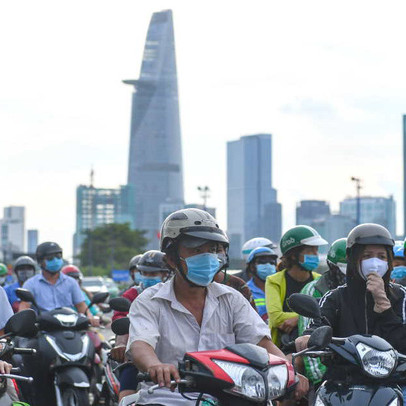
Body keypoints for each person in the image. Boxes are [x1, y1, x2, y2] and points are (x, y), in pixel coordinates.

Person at [126, 208, 308, 405]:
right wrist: (155, 366)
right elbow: (140, 344)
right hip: (168, 398)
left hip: (232, 396)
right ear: (171, 259)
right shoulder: (149, 301)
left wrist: (289, 371)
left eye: (213, 250)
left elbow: (262, 344)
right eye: (196, 250)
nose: (207, 257)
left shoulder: (232, 299)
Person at [295, 223, 406, 358]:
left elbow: (401, 342)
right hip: (345, 374)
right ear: (352, 258)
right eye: (367, 256)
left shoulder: (401, 296)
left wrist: (384, 306)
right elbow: (320, 324)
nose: (375, 263)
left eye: (381, 257)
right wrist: (309, 336)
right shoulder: (335, 297)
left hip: (393, 373)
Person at [111, 250, 170, 402]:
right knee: (127, 394)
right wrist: (121, 345)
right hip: (138, 357)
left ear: (166, 273)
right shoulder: (132, 294)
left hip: (173, 355)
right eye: (145, 273)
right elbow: (122, 319)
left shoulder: (176, 294)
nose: (148, 277)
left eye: (153, 274)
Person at [266, 225, 327, 349]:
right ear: (293, 255)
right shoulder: (274, 281)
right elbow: (276, 317)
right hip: (283, 346)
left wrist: (297, 319)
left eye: (316, 250)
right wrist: (303, 318)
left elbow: (326, 312)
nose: (316, 255)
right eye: (310, 251)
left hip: (314, 345)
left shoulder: (319, 280)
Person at [298, 238, 347, 387]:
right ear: (332, 267)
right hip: (327, 372)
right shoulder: (315, 290)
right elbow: (310, 341)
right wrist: (321, 380)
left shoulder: (374, 292)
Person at [19, 242, 99, 326]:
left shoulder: (71, 282)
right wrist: (24, 322)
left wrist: (90, 317)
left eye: (58, 257)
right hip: (43, 330)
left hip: (71, 328)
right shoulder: (31, 284)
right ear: (40, 262)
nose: (55, 261)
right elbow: (24, 307)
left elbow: (81, 306)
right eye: (50, 258)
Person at [213, 242, 257, 310]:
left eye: (217, 250)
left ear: (225, 253)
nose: (211, 255)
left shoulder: (238, 285)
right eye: (198, 250)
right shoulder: (190, 285)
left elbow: (252, 318)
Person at [245, 246, 278, 322]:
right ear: (252, 266)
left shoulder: (281, 287)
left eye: (272, 262)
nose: (268, 265)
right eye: (262, 262)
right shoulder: (245, 290)